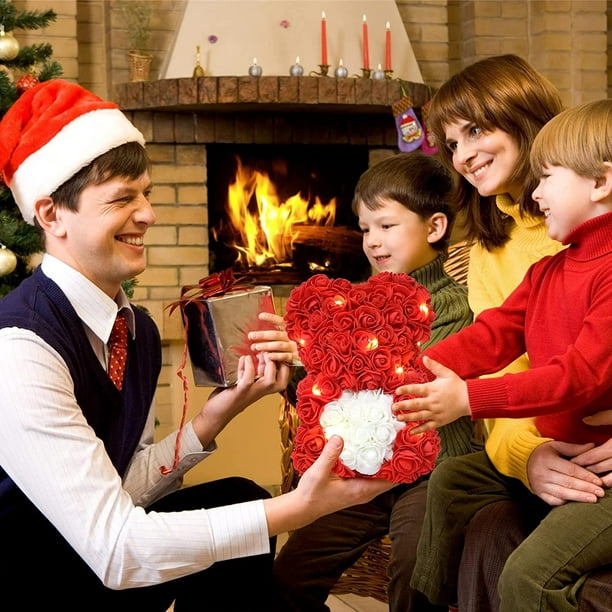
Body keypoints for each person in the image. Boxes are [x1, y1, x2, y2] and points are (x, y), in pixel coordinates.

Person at [0, 79, 393, 611]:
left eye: (146, 194)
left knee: (238, 497)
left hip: (89, 553)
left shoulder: (130, 328)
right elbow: (117, 548)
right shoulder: (20, 347)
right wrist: (299, 508)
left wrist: (216, 417)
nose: (148, 215)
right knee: (253, 518)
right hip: (35, 575)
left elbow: (123, 488)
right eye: (122, 198)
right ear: (51, 215)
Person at [398, 99, 612, 611]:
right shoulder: (549, 271)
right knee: (453, 479)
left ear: (601, 182)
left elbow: (578, 376)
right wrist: (410, 369)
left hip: (602, 474)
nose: (533, 195)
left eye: (546, 178)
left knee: (531, 576)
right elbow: (493, 334)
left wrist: (469, 398)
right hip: (563, 449)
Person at [250, 151, 475, 611]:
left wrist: (315, 358)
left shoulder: (453, 305)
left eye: (387, 226)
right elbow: (328, 394)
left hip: (427, 470)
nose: (372, 241)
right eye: (366, 227)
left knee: (416, 570)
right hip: (360, 466)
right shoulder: (350, 302)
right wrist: (288, 369)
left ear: (434, 228)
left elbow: (408, 387)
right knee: (290, 571)